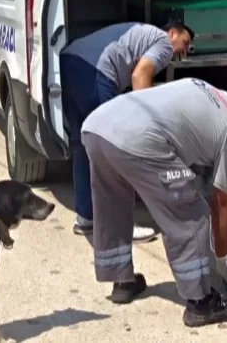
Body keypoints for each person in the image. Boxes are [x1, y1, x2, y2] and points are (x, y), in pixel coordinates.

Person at [80, 78, 227, 327]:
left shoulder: (208, 89)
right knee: (190, 215)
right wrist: (223, 256)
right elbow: (222, 200)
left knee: (113, 204)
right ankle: (201, 304)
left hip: (97, 127)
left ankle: (121, 280)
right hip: (136, 139)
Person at [61, 21, 193, 241]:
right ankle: (120, 226)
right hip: (96, 71)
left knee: (84, 147)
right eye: (185, 42)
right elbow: (139, 77)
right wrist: (150, 123)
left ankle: (86, 217)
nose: (184, 51)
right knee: (117, 150)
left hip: (69, 63)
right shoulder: (163, 42)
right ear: (172, 33)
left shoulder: (141, 34)